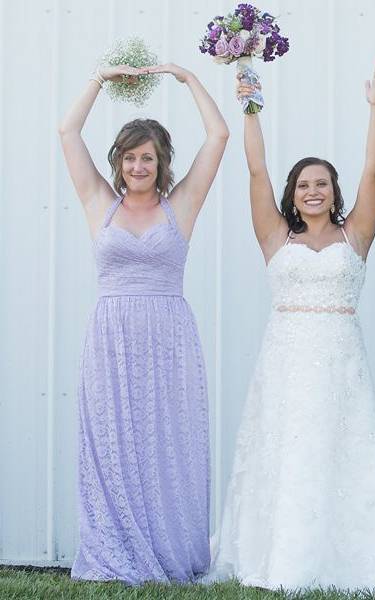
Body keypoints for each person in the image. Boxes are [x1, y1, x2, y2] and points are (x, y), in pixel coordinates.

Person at [206, 59, 375, 591]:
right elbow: (256, 170)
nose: (314, 191)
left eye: (324, 184)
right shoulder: (274, 238)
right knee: (285, 450)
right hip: (285, 361)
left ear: (334, 193)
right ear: (293, 194)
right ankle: (280, 559)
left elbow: (372, 171)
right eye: (305, 184)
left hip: (340, 362)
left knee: (340, 450)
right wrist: (250, 107)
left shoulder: (356, 235)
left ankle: (346, 562)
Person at [58, 62, 229, 583]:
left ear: (162, 162)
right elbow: (67, 131)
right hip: (109, 337)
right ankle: (115, 551)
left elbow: (219, 135)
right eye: (130, 157)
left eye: (147, 157)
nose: (138, 166)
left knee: (165, 445)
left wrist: (185, 76)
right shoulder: (98, 204)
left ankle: (169, 549)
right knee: (111, 444)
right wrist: (98, 79)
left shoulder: (182, 206)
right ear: (119, 162)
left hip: (169, 336)